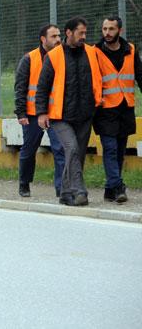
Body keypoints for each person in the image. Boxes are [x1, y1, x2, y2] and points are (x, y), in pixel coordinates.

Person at [36, 17, 102, 207]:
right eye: (80, 33)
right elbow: (42, 87)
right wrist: (41, 112)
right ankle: (79, 191)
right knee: (72, 149)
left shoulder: (91, 53)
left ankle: (65, 193)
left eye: (85, 33)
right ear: (69, 33)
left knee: (77, 154)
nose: (84, 36)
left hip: (85, 114)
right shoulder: (54, 56)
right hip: (60, 116)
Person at [93, 16, 142, 204]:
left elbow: (139, 75)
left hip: (126, 107)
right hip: (105, 109)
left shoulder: (131, 49)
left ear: (119, 31)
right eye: (104, 29)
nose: (107, 33)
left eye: (111, 29)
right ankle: (119, 186)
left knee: (120, 150)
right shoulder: (95, 51)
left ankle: (109, 189)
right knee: (110, 149)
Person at [14, 24, 66, 198]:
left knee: (60, 149)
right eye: (53, 36)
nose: (58, 39)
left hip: (55, 113)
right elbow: (20, 87)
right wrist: (21, 113)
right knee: (29, 150)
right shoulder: (29, 59)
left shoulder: (64, 57)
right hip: (32, 114)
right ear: (43, 39)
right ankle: (24, 183)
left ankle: (61, 188)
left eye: (59, 36)